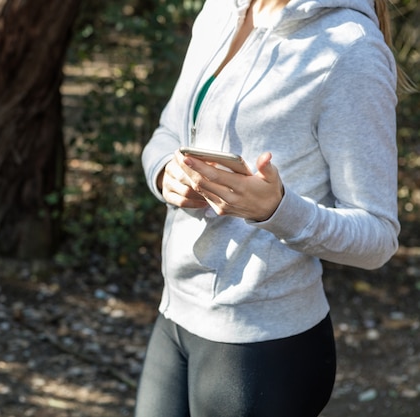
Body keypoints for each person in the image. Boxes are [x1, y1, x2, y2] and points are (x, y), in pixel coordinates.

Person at [136, 0, 406, 416]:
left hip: (262, 346)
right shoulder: (221, 9)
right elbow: (168, 130)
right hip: (175, 315)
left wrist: (278, 210)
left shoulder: (351, 49)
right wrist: (163, 172)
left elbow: (378, 236)